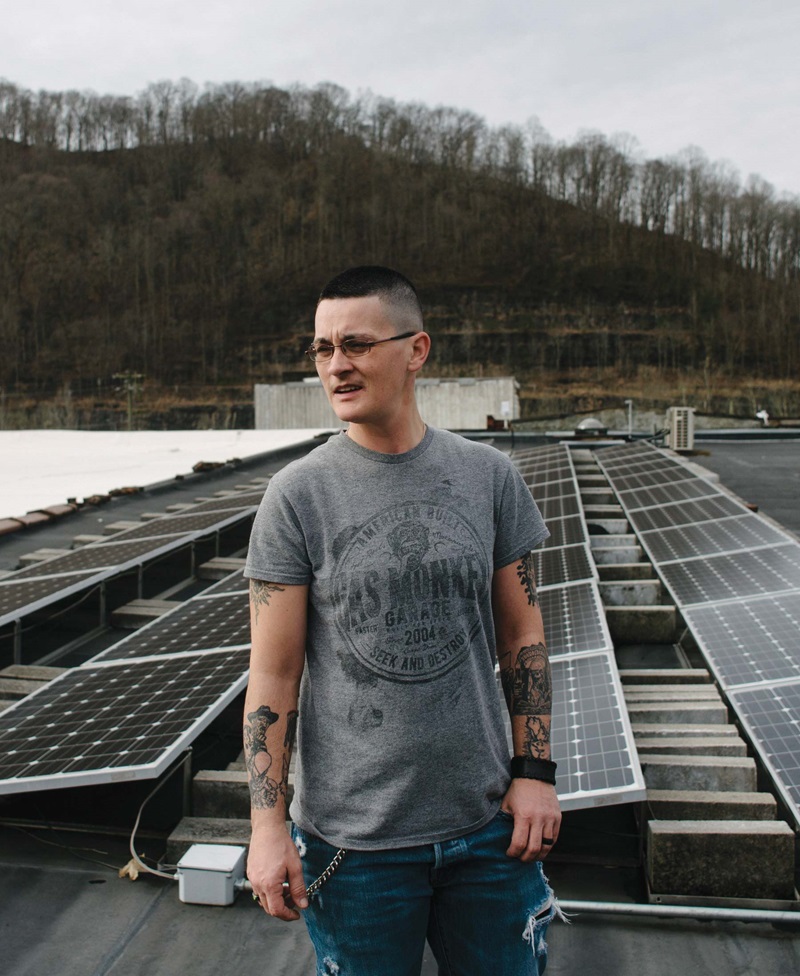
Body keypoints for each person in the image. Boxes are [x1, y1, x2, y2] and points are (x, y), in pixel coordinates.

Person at [243, 266, 562, 976]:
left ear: (417, 350)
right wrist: (267, 826)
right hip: (355, 848)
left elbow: (523, 637)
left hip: (489, 829)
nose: (336, 365)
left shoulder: (488, 477)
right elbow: (274, 673)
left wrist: (535, 771)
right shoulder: (296, 496)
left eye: (356, 344)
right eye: (323, 348)